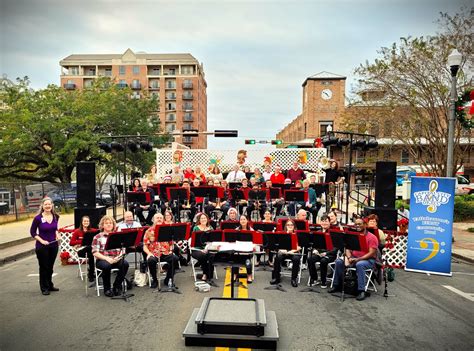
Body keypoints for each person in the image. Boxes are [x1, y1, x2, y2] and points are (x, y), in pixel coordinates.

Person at [328, 219, 378, 301]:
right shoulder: (354, 236)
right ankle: (336, 285)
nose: (357, 226)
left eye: (360, 224)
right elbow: (347, 248)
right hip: (353, 258)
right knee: (339, 262)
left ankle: (361, 290)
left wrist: (358, 259)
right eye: (356, 224)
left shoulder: (372, 237)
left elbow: (371, 253)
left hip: (368, 260)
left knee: (360, 264)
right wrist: (349, 257)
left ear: (365, 225)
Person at [92, 216, 129, 297]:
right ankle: (107, 289)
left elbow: (123, 250)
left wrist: (118, 258)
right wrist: (107, 259)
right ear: (102, 225)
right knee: (106, 266)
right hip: (102, 259)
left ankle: (116, 286)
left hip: (116, 258)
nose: (109, 225)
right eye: (106, 223)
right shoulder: (97, 237)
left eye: (110, 223)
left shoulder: (117, 236)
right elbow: (95, 252)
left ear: (113, 225)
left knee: (125, 264)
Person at [30, 197, 61, 295]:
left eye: (49, 204)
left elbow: (55, 229)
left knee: (50, 266)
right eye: (45, 204)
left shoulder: (56, 216)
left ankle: (50, 285)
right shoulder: (38, 218)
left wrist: (57, 234)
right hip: (42, 246)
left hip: (53, 245)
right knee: (44, 267)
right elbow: (32, 232)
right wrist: (42, 240)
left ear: (52, 205)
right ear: (42, 206)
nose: (48, 206)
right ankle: (44, 287)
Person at [143, 213, 180, 288]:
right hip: (154, 253)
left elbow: (171, 243)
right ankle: (154, 279)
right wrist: (149, 253)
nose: (159, 219)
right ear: (153, 220)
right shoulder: (148, 231)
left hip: (166, 252)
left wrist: (171, 249)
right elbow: (145, 246)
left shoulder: (167, 229)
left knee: (175, 258)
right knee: (151, 261)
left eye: (161, 218)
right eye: (157, 218)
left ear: (163, 219)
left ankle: (168, 278)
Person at [307, 214, 338, 288]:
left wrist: (326, 253)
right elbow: (314, 244)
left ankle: (323, 281)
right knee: (310, 259)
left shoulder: (333, 233)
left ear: (329, 222)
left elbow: (336, 248)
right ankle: (314, 278)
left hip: (330, 254)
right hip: (319, 253)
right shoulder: (318, 232)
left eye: (326, 221)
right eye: (323, 221)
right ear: (320, 223)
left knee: (323, 261)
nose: (324, 223)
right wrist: (314, 250)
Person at [270, 219, 302, 287]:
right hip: (284, 252)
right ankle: (276, 278)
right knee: (277, 257)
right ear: (286, 226)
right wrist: (282, 250)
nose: (290, 226)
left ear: (294, 226)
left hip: (294, 252)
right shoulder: (282, 234)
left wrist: (291, 251)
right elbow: (278, 244)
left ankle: (294, 279)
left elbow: (299, 246)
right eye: (288, 225)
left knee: (296, 259)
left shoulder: (297, 234)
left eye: (291, 225)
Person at [70, 215, 97, 282]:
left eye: (87, 221)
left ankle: (91, 273)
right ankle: (91, 273)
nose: (86, 222)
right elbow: (71, 242)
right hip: (81, 251)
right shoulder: (77, 231)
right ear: (82, 222)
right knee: (90, 250)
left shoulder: (93, 230)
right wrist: (82, 241)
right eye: (84, 221)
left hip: (90, 251)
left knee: (91, 253)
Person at [191, 213, 215, 282]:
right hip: (196, 249)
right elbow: (193, 242)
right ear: (199, 220)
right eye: (202, 218)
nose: (203, 219)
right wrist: (201, 250)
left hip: (208, 249)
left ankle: (209, 275)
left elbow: (212, 241)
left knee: (212, 255)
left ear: (207, 219)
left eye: (205, 218)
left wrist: (207, 248)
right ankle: (205, 274)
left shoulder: (210, 228)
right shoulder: (196, 228)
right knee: (203, 255)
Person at [236, 215, 254, 283]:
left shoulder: (251, 230)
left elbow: (254, 242)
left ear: (247, 220)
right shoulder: (237, 230)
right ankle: (235, 274)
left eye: (244, 219)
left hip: (248, 251)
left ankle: (249, 275)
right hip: (238, 250)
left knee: (247, 258)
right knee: (234, 257)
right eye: (241, 220)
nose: (243, 221)